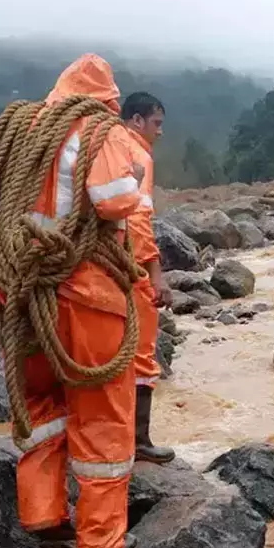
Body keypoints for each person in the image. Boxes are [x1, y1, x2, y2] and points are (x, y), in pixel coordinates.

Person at [0, 54, 145, 548]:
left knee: (41, 402)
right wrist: (138, 165)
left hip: (15, 290)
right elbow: (114, 200)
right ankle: (100, 543)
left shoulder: (10, 130)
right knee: (101, 411)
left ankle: (43, 515)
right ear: (109, 99)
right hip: (83, 295)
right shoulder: (98, 128)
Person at [120, 91, 175, 464]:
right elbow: (138, 219)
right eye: (156, 123)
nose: (160, 132)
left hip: (99, 267)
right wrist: (155, 272)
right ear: (137, 120)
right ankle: (138, 440)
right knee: (141, 353)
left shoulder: (105, 144)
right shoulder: (136, 153)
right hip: (130, 267)